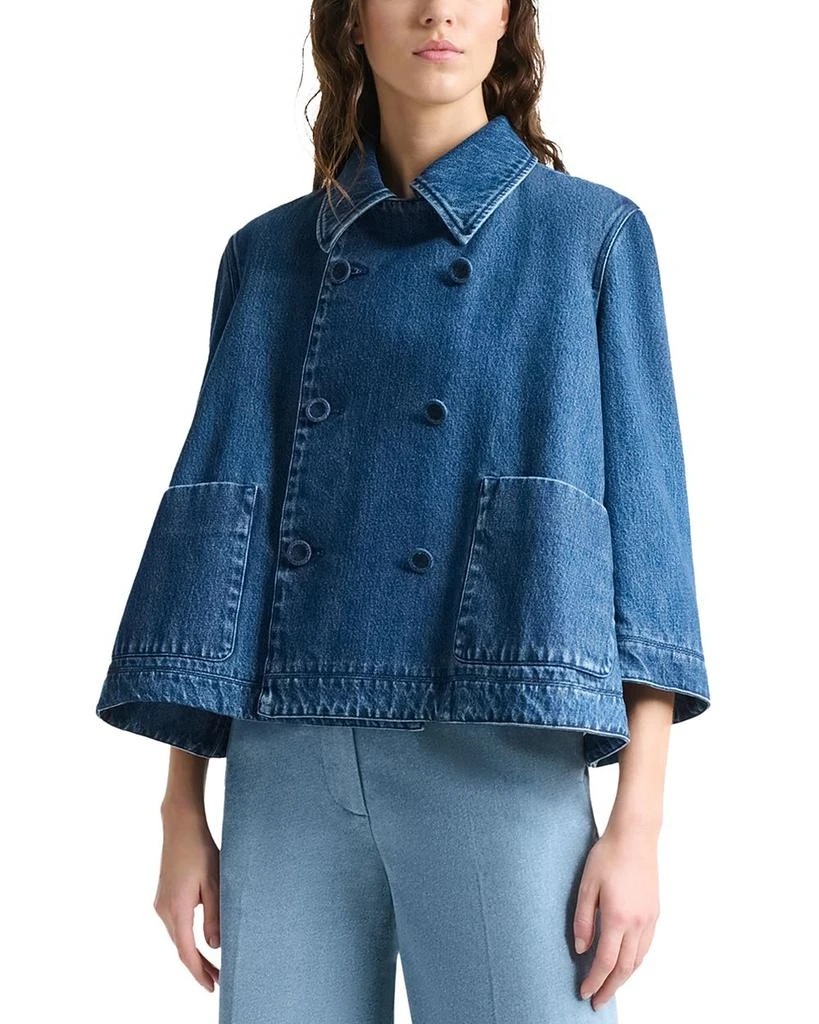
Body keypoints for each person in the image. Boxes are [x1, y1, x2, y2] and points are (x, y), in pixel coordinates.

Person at [97, 1, 712, 1021]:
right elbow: (220, 529)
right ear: (351, 23)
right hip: (286, 761)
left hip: (500, 749)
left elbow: (649, 547)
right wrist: (180, 808)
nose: (437, 10)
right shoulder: (268, 255)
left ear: (508, 19)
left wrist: (637, 826)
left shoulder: (589, 238)